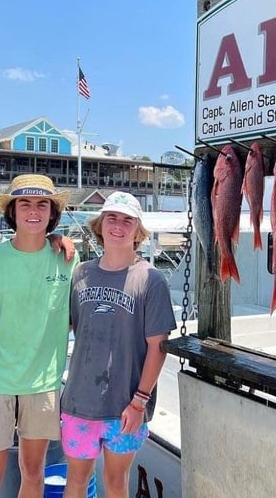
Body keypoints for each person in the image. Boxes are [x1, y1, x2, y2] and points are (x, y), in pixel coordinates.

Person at [60, 192, 176, 498]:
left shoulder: (151, 279)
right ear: (100, 224)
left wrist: (139, 402)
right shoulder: (81, 273)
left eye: (127, 220)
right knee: (76, 482)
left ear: (138, 231)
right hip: (78, 403)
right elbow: (67, 327)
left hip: (125, 407)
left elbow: (158, 346)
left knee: (116, 484)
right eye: (112, 217)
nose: (118, 226)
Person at [0, 174, 80, 497]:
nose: (33, 211)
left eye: (42, 204)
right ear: (13, 212)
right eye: (25, 204)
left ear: (52, 213)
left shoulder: (68, 260)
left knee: (33, 473)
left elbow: (79, 320)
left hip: (43, 384)